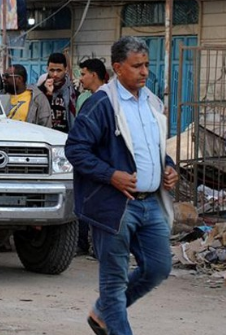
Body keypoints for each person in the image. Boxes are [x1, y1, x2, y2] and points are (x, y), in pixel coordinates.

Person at [65, 36, 179, 335]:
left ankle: (103, 312)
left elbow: (154, 147)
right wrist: (110, 174)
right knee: (114, 281)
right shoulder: (103, 104)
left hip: (150, 202)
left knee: (158, 267)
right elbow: (75, 149)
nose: (144, 72)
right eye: (137, 66)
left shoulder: (151, 101)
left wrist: (169, 167)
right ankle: (115, 323)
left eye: (147, 65)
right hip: (116, 205)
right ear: (117, 68)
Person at [0, 64, 52, 253]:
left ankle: (4, 240)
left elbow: (45, 126)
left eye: (7, 76)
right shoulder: (0, 98)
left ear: (20, 79)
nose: (4, 79)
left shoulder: (36, 98)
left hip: (25, 155)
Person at [74, 58, 109, 256]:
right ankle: (83, 242)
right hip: (87, 157)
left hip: (101, 159)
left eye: (84, 74)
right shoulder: (84, 98)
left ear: (94, 75)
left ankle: (100, 246)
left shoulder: (108, 98)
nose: (81, 78)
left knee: (100, 203)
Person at [37, 53, 78, 133]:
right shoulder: (39, 92)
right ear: (47, 69)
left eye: (59, 70)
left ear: (65, 70)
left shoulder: (73, 93)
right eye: (52, 70)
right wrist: (48, 94)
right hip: (44, 135)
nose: (55, 74)